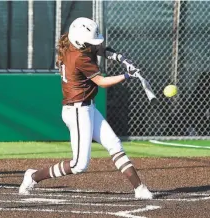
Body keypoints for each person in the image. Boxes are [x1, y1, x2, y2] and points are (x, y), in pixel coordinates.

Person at [19, 17, 153, 199]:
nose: (94, 45)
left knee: (114, 144)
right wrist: (126, 75)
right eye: (90, 42)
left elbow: (100, 49)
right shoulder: (79, 58)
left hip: (87, 107)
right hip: (77, 111)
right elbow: (102, 82)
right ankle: (33, 176)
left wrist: (121, 58)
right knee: (79, 165)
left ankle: (139, 188)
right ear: (81, 42)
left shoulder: (75, 45)